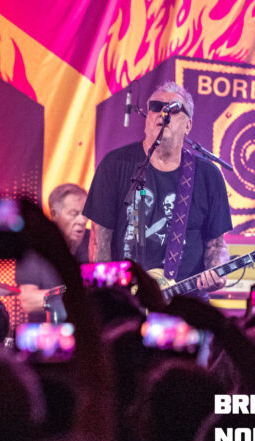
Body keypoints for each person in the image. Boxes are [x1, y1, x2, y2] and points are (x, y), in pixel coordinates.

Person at [83, 82, 232, 301]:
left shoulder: (208, 175)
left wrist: (217, 273)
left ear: (188, 125)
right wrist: (106, 299)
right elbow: (100, 240)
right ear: (147, 119)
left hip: (186, 300)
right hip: (128, 301)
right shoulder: (114, 164)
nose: (163, 112)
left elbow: (216, 245)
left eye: (173, 108)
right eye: (155, 106)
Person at [15, 183, 89, 321]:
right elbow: (28, 301)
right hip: (50, 331)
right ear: (54, 214)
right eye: (74, 214)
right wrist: (76, 295)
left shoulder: (95, 243)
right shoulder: (35, 248)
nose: (82, 220)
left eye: (85, 214)